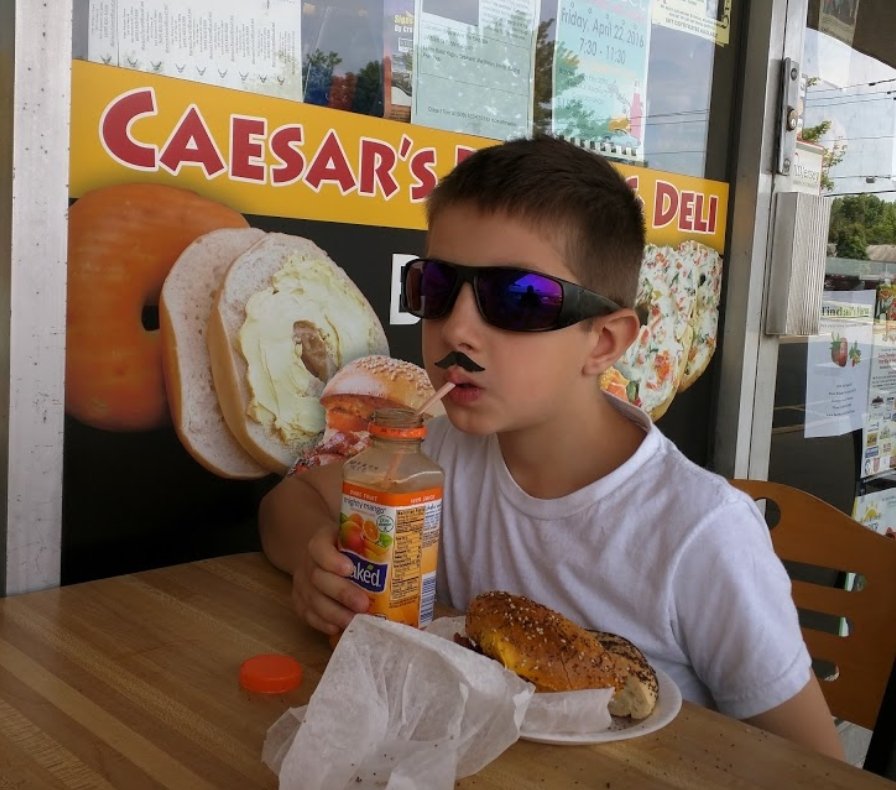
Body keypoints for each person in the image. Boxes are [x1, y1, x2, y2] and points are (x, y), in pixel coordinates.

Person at [259, 135, 844, 760]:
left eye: (518, 299)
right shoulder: (439, 450)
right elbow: (285, 506)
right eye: (434, 286)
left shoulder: (701, 534)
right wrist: (317, 565)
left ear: (603, 342)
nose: (456, 328)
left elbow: (816, 764)